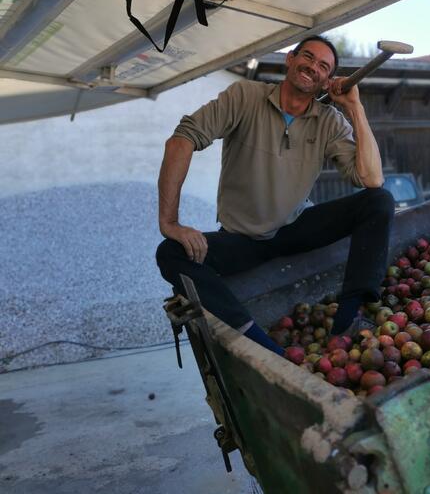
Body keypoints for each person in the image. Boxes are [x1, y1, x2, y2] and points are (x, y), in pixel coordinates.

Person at [155, 35, 394, 355]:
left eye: (324, 66)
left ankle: (347, 320)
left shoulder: (329, 121)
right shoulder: (245, 96)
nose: (313, 67)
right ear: (290, 59)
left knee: (379, 201)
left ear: (328, 80)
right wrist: (170, 222)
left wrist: (355, 107)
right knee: (169, 252)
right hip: (242, 240)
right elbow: (181, 141)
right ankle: (264, 346)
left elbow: (371, 178)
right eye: (307, 57)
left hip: (294, 228)